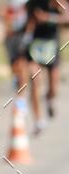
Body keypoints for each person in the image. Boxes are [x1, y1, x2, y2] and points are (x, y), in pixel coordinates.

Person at [25, 0, 69, 133]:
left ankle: (50, 99)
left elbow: (67, 21)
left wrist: (52, 17)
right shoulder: (34, 3)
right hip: (35, 45)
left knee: (53, 87)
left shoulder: (62, 3)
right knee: (35, 79)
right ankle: (39, 120)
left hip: (52, 47)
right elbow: (31, 19)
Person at [0, 0, 30, 96]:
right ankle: (19, 88)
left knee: (22, 64)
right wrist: (3, 15)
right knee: (15, 67)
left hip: (23, 36)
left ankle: (21, 100)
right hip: (10, 36)